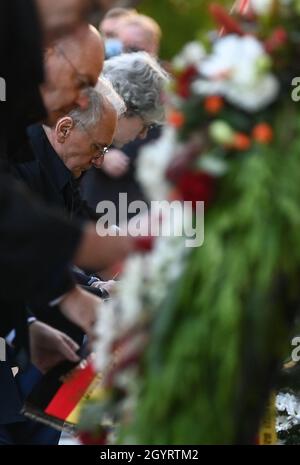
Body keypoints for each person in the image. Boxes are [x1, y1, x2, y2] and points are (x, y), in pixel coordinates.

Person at [80, 52, 169, 222]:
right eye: (145, 125)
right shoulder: (72, 140)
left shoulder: (80, 136)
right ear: (124, 108)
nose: (143, 135)